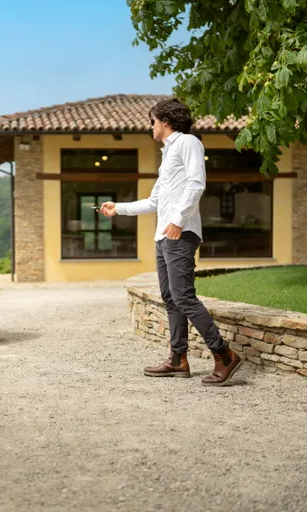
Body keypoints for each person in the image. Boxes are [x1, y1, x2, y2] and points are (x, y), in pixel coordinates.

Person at [99, 98, 242, 386]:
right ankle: (178, 359)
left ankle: (224, 355)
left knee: (184, 297)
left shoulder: (188, 142)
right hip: (165, 235)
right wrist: (120, 208)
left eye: (152, 121)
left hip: (181, 233)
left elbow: (196, 183)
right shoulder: (168, 155)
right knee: (171, 298)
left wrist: (177, 219)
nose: (150, 127)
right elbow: (154, 201)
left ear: (165, 121)